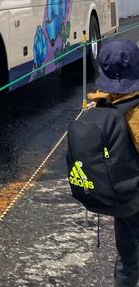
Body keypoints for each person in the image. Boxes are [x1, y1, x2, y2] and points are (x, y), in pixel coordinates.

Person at [88, 38, 139, 287]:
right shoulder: (135, 113)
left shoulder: (98, 106)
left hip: (122, 196)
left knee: (128, 256)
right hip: (136, 192)